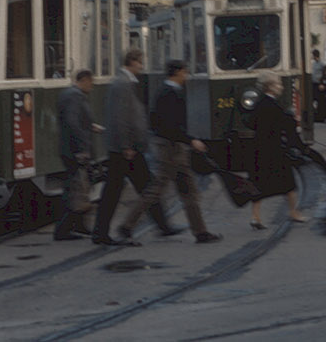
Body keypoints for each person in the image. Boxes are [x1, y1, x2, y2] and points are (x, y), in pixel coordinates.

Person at [119, 60, 220, 244]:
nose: (187, 76)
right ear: (178, 72)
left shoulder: (168, 92)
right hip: (170, 149)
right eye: (185, 72)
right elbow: (169, 126)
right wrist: (191, 140)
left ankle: (200, 232)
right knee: (157, 189)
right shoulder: (168, 94)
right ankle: (127, 225)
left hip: (174, 147)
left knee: (188, 190)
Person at [92, 49, 172, 246]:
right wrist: (127, 145)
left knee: (142, 186)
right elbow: (120, 118)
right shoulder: (122, 84)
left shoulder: (126, 83)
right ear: (131, 62)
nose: (142, 66)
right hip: (125, 150)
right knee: (122, 189)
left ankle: (162, 225)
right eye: (140, 62)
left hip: (127, 148)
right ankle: (102, 233)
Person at [245, 73, 307, 228]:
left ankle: (255, 216)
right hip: (275, 150)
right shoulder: (275, 107)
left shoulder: (259, 104)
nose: (281, 86)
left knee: (258, 184)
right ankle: (293, 212)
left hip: (258, 149)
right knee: (289, 183)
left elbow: (250, 123)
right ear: (271, 87)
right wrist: (301, 147)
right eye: (278, 84)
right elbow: (287, 128)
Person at [54, 69, 99, 240]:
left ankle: (79, 226)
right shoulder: (75, 96)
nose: (92, 87)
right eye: (91, 83)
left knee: (76, 188)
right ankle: (63, 229)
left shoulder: (68, 94)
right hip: (75, 150)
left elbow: (76, 120)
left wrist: (91, 126)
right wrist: (83, 147)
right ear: (85, 80)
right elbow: (72, 122)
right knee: (76, 189)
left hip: (69, 149)